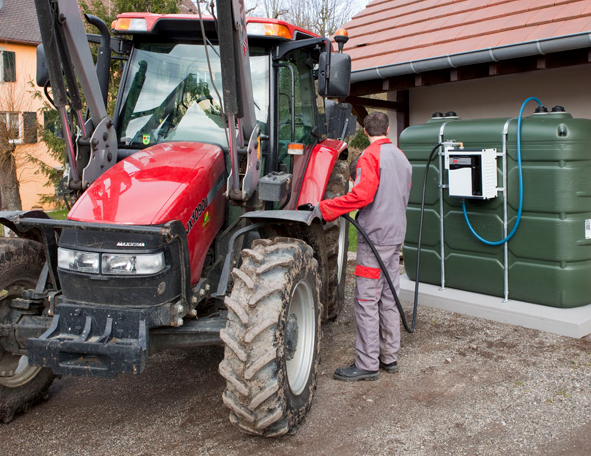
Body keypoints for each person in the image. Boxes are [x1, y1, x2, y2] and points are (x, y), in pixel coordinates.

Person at [317, 111, 412, 381]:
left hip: (375, 239)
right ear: (388, 129)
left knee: (367, 299)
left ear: (366, 131)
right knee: (390, 296)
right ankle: (388, 357)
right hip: (395, 237)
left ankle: (368, 364)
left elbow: (362, 195)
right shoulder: (402, 158)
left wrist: (325, 209)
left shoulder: (370, 156)